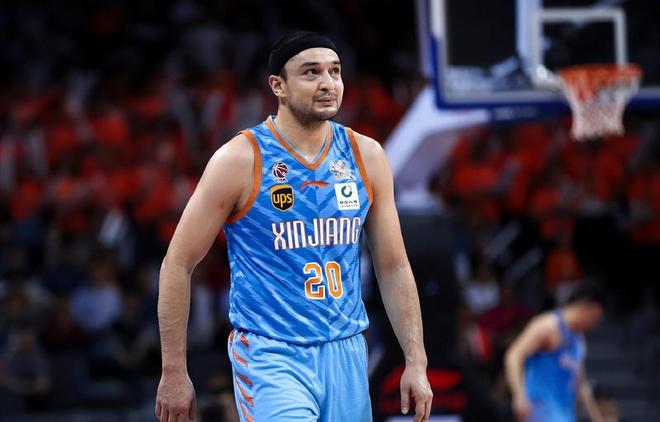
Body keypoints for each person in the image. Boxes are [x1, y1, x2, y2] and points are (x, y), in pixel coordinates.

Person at [155, 31, 433, 422]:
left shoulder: (366, 155)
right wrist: (173, 371)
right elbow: (177, 263)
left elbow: (394, 266)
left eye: (335, 71)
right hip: (271, 352)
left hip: (346, 350)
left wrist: (416, 360)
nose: (328, 83)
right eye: (311, 72)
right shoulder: (240, 159)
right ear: (278, 86)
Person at [504, 283, 606, 422]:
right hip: (539, 410)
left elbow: (580, 384)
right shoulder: (547, 326)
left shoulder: (579, 340)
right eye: (595, 318)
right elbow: (514, 355)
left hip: (564, 414)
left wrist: (596, 418)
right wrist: (519, 394)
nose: (594, 325)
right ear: (584, 308)